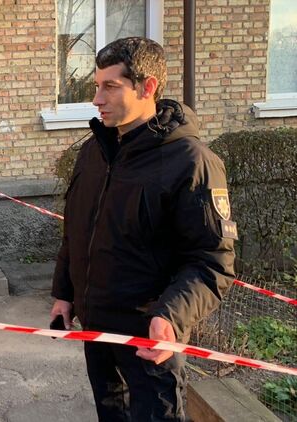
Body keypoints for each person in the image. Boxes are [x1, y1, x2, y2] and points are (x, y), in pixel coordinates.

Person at [49, 37, 236, 421]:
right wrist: (63, 294)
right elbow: (76, 231)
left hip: (150, 340)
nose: (97, 99)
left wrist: (170, 318)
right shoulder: (93, 152)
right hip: (96, 331)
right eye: (96, 86)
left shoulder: (192, 162)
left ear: (147, 87)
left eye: (110, 87)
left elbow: (212, 261)